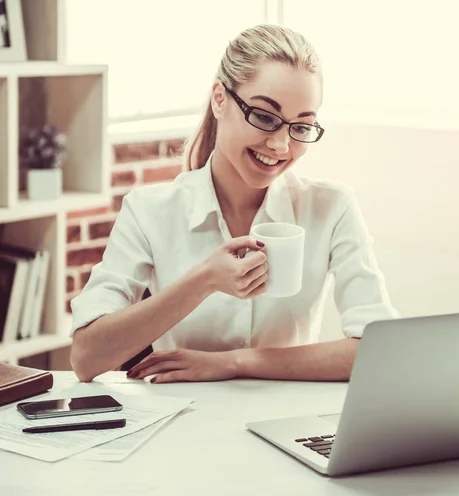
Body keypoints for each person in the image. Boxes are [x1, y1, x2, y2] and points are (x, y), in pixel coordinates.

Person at [69, 24, 398, 384]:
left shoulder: (332, 208)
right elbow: (86, 359)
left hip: (287, 421)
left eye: (301, 127)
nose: (280, 146)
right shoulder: (149, 210)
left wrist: (235, 362)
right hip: (186, 419)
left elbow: (378, 351)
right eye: (264, 117)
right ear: (219, 99)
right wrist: (205, 279)